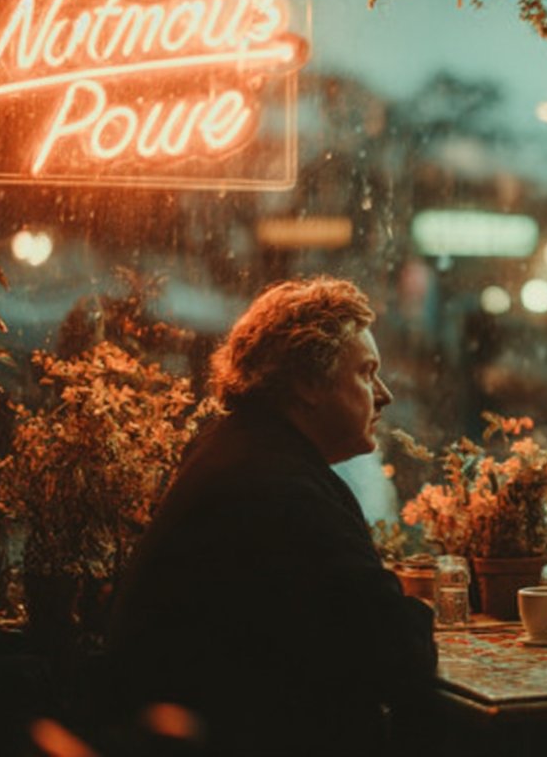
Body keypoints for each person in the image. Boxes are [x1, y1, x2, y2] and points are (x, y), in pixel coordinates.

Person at [107, 277, 437, 756]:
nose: (383, 394)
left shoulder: (236, 449)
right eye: (366, 373)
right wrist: (424, 608)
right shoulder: (281, 490)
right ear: (307, 384)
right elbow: (398, 655)